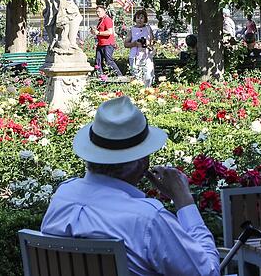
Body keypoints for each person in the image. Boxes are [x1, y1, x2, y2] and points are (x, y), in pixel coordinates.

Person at [41, 96, 221, 275]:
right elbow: (207, 272)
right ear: (142, 162)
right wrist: (184, 201)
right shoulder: (147, 218)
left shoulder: (63, 196)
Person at [124, 10, 155, 87]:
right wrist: (134, 44)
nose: (140, 20)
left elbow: (153, 41)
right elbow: (126, 44)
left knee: (148, 76)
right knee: (137, 77)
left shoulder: (148, 28)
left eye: (142, 18)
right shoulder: (132, 29)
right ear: (135, 19)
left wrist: (149, 42)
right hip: (135, 56)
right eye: (138, 18)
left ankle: (148, 90)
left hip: (147, 56)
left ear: (145, 19)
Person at [90, 6, 123, 77]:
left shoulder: (107, 20)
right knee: (97, 61)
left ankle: (119, 76)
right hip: (100, 44)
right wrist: (94, 32)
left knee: (109, 61)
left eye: (99, 11)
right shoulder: (100, 21)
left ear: (104, 11)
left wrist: (98, 33)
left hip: (107, 44)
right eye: (96, 12)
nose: (97, 13)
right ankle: (100, 76)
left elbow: (109, 32)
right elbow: (99, 32)